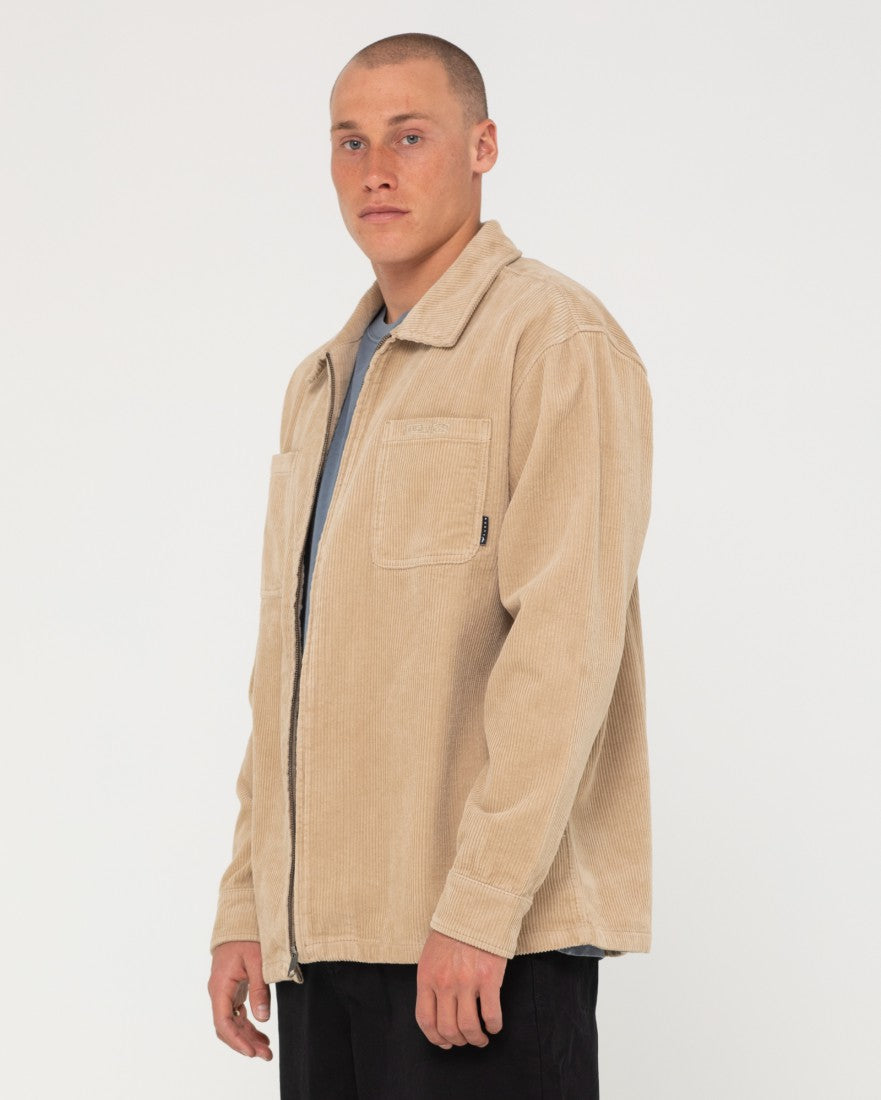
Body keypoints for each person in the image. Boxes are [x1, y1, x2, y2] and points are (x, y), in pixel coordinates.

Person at [207, 32, 653, 1100]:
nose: (376, 170)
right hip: (321, 946)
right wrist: (248, 903)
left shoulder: (553, 341)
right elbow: (286, 668)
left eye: (409, 137)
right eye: (350, 141)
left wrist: (481, 905)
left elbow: (565, 644)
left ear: (481, 146)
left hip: (479, 948)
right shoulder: (320, 383)